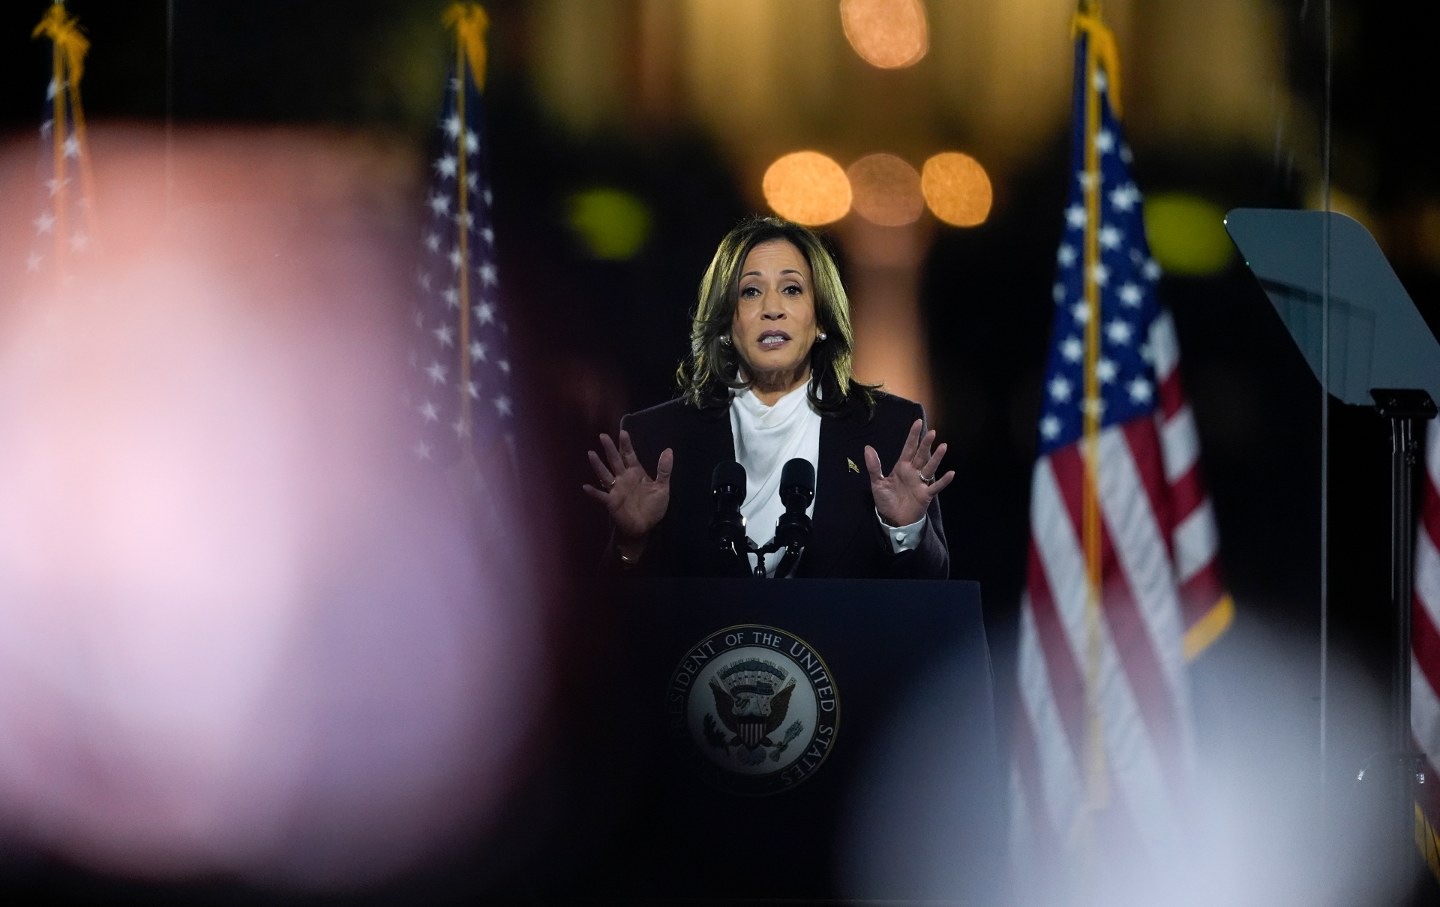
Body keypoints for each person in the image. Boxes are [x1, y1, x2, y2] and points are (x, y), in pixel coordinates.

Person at [583, 215, 953, 579]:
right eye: (751, 292)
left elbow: (931, 604)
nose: (772, 309)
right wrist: (631, 543)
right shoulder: (657, 437)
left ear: (821, 319)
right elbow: (608, 620)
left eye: (792, 289)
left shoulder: (889, 430)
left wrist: (906, 529)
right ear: (727, 322)